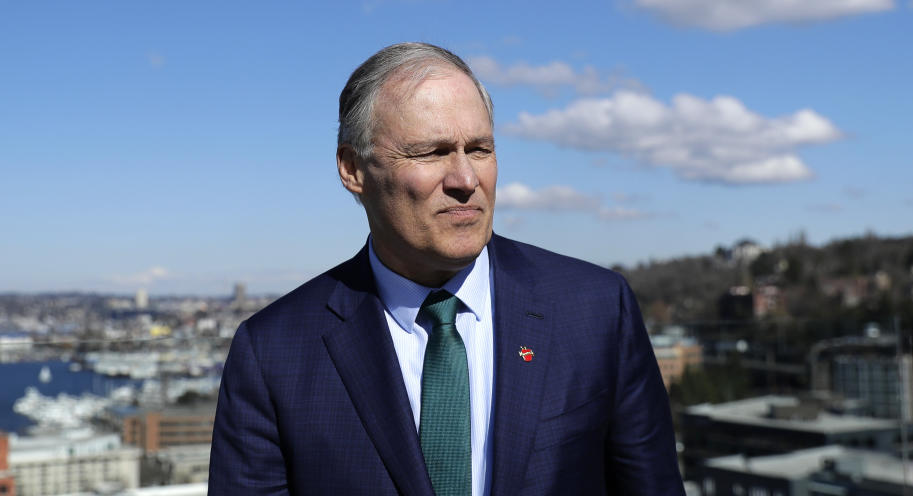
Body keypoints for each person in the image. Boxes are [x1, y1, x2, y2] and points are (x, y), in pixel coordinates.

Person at [208, 42, 685, 495]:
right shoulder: (274, 353)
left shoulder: (596, 309)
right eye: (432, 152)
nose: (465, 179)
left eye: (479, 149)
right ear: (353, 169)